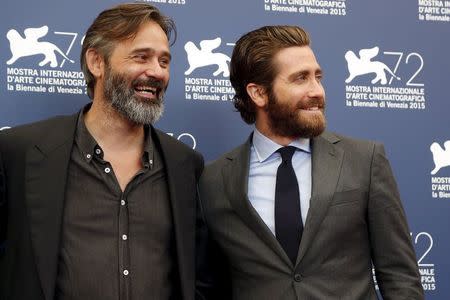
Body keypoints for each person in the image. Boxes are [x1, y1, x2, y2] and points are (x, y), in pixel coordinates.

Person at [197, 25, 423, 299]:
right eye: (300, 78)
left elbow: (400, 276)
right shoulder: (214, 179)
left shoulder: (365, 160)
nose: (317, 91)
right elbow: (209, 286)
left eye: (318, 77)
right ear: (258, 93)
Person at [0, 3, 203, 300]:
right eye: (141, 57)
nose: (157, 72)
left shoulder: (185, 165)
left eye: (164, 61)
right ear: (96, 62)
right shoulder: (19, 153)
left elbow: (200, 276)